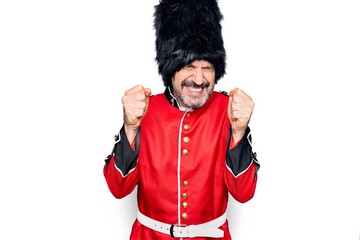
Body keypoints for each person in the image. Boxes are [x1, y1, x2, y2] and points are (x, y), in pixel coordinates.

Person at [103, 0, 260, 239]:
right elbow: (118, 188)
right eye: (188, 65)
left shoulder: (228, 110)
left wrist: (239, 132)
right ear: (171, 67)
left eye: (207, 67)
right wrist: (130, 127)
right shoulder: (145, 109)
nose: (199, 79)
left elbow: (243, 193)